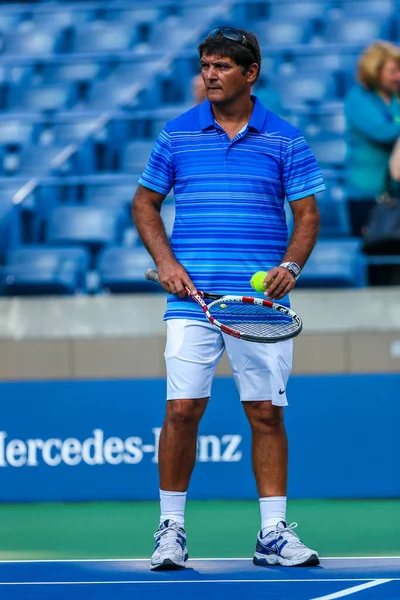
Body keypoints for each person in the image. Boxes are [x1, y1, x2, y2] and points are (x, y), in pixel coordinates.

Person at [132, 26, 324, 571]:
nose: (209, 75)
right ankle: (170, 531)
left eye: (220, 66)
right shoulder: (176, 134)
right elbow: (144, 204)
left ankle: (272, 534)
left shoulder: (286, 138)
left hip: (258, 309)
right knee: (182, 410)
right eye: (205, 65)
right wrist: (167, 263)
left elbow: (308, 215)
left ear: (250, 73)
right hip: (191, 304)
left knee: (265, 413)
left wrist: (290, 265)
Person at [344, 41, 400, 237]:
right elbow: (384, 132)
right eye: (393, 70)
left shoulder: (395, 98)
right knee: (376, 260)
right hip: (368, 196)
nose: (398, 76)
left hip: (396, 196)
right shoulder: (358, 99)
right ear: (375, 71)